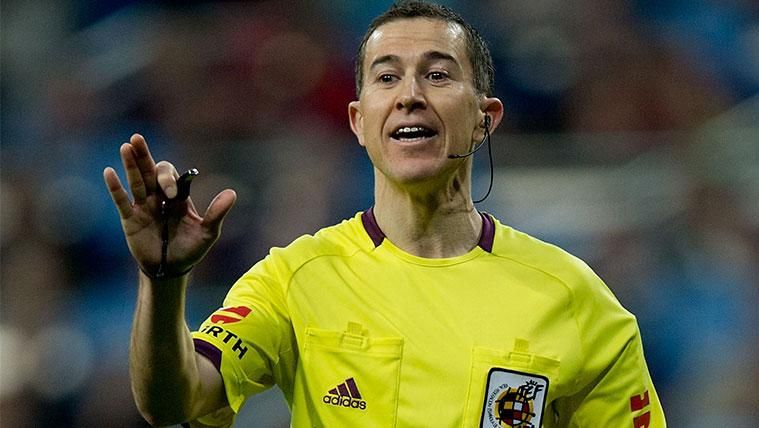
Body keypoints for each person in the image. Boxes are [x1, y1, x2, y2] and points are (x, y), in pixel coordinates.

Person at [104, 1, 666, 427]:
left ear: (485, 119)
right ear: (358, 120)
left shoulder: (577, 300)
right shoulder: (294, 279)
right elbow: (172, 402)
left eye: (438, 75)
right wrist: (163, 279)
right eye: (387, 76)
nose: (409, 95)